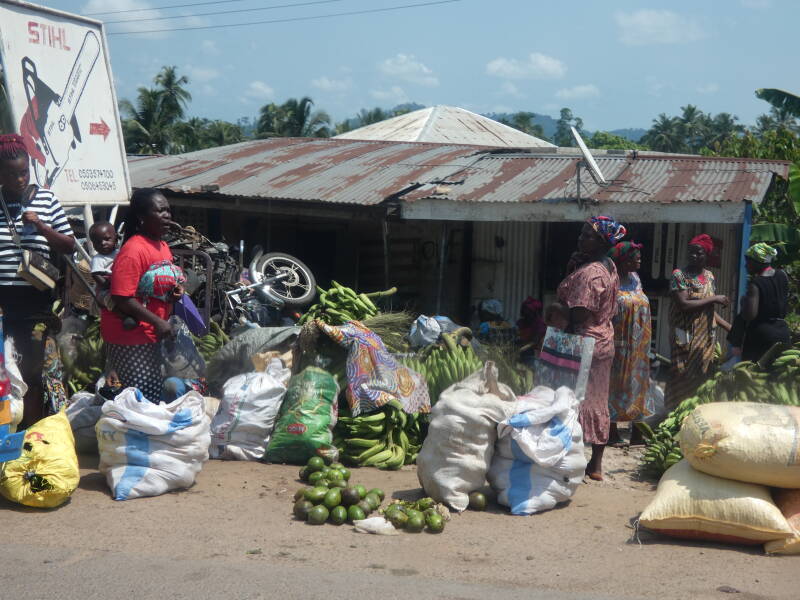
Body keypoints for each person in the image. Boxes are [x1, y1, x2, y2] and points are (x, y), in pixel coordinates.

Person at [0, 134, 75, 427]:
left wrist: (42, 226)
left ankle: (30, 436)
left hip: (35, 303)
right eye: (11, 174)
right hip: (2, 303)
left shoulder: (46, 199)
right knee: (4, 372)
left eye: (24, 172)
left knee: (30, 372)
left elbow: (68, 245)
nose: (20, 179)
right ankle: (6, 433)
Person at [100, 188, 185, 402]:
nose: (167, 215)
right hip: (131, 335)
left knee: (151, 397)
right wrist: (157, 321)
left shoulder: (162, 246)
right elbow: (121, 297)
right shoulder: (133, 250)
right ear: (141, 217)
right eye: (160, 211)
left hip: (151, 333)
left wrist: (174, 292)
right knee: (143, 399)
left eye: (168, 210)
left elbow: (158, 284)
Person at [557, 216, 624, 481]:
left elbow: (579, 314)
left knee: (571, 401)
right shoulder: (608, 265)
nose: (580, 239)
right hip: (603, 339)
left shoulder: (590, 274)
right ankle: (595, 464)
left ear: (601, 242)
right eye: (581, 234)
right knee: (597, 400)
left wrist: (555, 311)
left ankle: (569, 460)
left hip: (583, 343)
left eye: (587, 235)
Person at [664, 234, 730, 411]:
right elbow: (684, 304)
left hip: (705, 335)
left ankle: (694, 411)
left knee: (702, 372)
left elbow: (708, 309)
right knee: (680, 372)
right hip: (683, 333)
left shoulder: (709, 277)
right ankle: (673, 411)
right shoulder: (679, 275)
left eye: (698, 253)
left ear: (706, 255)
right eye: (691, 252)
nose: (693, 256)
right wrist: (715, 298)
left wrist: (728, 327)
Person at [606, 241, 652, 447]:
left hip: (640, 345)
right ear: (624, 261)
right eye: (636, 258)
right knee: (616, 383)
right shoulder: (612, 281)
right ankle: (612, 432)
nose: (639, 260)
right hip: (619, 342)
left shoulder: (635, 279)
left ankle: (637, 433)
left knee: (640, 385)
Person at [728, 243, 791, 361]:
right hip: (782, 333)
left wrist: (744, 303)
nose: (746, 266)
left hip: (761, 337)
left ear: (758, 262)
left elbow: (750, 315)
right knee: (779, 369)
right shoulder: (782, 275)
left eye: (749, 262)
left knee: (754, 370)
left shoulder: (756, 283)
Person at [89, 221, 137, 329]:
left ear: (115, 238)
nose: (103, 243)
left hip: (120, 283)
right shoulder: (98, 259)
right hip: (105, 288)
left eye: (107, 239)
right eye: (97, 242)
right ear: (93, 245)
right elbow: (96, 275)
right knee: (108, 299)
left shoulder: (120, 252)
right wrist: (107, 285)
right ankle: (123, 316)